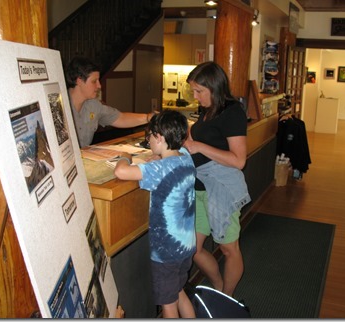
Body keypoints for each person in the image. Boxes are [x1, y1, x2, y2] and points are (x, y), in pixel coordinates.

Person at [113, 110, 197, 318]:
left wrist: (125, 157)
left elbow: (121, 172)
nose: (147, 141)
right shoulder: (186, 158)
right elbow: (169, 158)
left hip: (166, 252)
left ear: (159, 138)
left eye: (148, 137)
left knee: (168, 305)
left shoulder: (159, 170)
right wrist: (157, 155)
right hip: (185, 245)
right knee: (179, 292)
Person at [183, 61, 251, 297]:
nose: (195, 96)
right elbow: (193, 137)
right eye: (193, 91)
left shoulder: (233, 113)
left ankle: (227, 299)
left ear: (214, 87)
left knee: (229, 248)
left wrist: (198, 146)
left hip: (222, 188)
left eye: (199, 91)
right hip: (199, 188)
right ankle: (220, 287)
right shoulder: (207, 109)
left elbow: (238, 160)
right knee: (194, 249)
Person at [65, 56, 155, 147]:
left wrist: (148, 117)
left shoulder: (94, 105)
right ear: (79, 81)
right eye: (94, 81)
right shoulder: (58, 107)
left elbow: (120, 118)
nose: (99, 85)